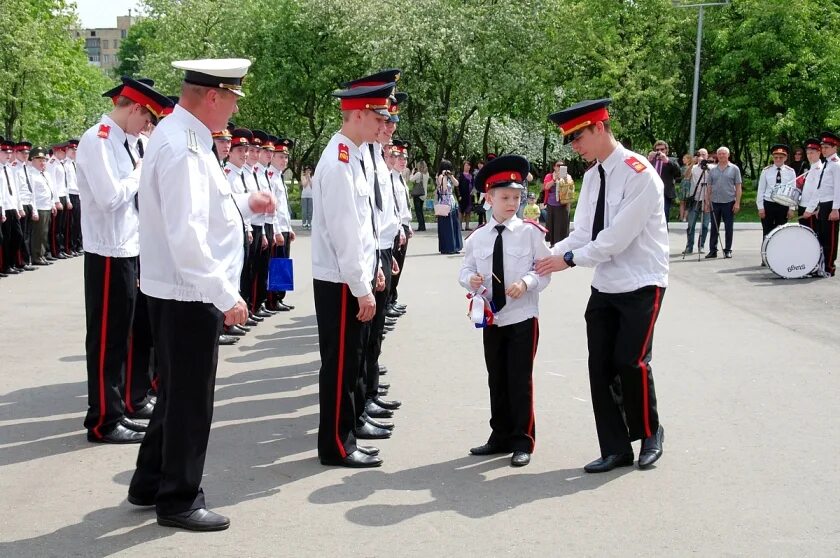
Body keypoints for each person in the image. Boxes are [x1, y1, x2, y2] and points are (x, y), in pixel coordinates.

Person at [129, 58, 275, 531]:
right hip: (188, 292)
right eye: (233, 98)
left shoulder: (185, 137)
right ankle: (179, 499)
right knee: (191, 400)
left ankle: (151, 481)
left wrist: (248, 207)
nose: (234, 109)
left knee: (175, 393)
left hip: (180, 289)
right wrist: (224, 295)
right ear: (212, 95)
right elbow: (187, 235)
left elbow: (207, 213)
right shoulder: (184, 146)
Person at [536, 98, 668, 473]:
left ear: (598, 127)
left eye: (578, 138)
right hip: (607, 284)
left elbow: (616, 238)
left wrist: (569, 260)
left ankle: (649, 434)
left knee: (632, 361)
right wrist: (549, 254)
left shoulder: (639, 173)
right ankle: (615, 448)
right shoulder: (593, 176)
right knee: (600, 366)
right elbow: (582, 233)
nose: (575, 147)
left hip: (642, 281)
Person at [76, 77, 172, 444]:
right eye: (146, 118)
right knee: (106, 340)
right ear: (133, 107)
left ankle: (120, 406)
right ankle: (102, 419)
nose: (147, 127)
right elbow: (109, 198)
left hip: (130, 248)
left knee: (127, 335)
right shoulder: (97, 139)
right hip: (107, 251)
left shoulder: (127, 142)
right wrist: (139, 172)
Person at [311, 78, 395, 468]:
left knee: (350, 361)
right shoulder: (340, 161)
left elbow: (365, 227)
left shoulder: (354, 155)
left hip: (352, 277)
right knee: (342, 366)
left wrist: (373, 269)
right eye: (377, 116)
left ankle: (342, 438)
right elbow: (346, 234)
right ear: (358, 114)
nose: (383, 125)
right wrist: (362, 287)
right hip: (341, 281)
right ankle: (337, 445)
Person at [460, 154, 551, 467]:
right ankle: (498, 436)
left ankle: (522, 440)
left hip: (522, 317)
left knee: (519, 378)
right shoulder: (478, 238)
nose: (512, 203)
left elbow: (544, 271)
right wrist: (469, 280)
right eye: (505, 197)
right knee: (496, 377)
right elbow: (466, 269)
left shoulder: (531, 233)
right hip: (491, 318)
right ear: (489, 198)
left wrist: (526, 282)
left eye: (516, 197)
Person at [266, 136, 296, 312]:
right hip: (276, 228)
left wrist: (289, 228)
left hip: (284, 227)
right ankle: (273, 298)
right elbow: (272, 208)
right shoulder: (270, 176)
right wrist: (277, 230)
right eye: (280, 156)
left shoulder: (279, 176)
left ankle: (280, 296)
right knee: (276, 263)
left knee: (283, 262)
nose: (284, 160)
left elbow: (284, 207)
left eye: (286, 157)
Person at [806, 131, 840, 276]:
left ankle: (829, 268)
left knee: (830, 238)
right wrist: (819, 207)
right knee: (823, 236)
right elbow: (821, 188)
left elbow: (838, 188)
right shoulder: (827, 164)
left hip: (832, 205)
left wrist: (836, 209)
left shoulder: (836, 165)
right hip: (824, 205)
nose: (824, 150)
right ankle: (822, 266)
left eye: (827, 147)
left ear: (835, 147)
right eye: (823, 147)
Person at [706, 146, 742, 259]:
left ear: (728, 155)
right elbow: (709, 187)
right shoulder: (712, 170)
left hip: (729, 202)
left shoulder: (734, 169)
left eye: (724, 154)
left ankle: (728, 250)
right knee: (714, 228)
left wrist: (737, 203)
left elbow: (738, 186)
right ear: (717, 156)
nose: (721, 156)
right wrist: (707, 202)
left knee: (728, 227)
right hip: (715, 202)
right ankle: (713, 250)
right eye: (720, 154)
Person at [756, 144, 795, 244]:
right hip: (768, 204)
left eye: (781, 157)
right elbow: (761, 190)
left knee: (781, 232)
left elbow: (792, 191)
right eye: (776, 157)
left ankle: (779, 258)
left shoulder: (790, 172)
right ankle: (766, 257)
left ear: (785, 158)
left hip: (783, 205)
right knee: (767, 232)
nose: (778, 159)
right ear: (773, 157)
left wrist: (791, 208)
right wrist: (760, 208)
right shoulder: (766, 171)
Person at [27, 147, 57, 266]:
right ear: (32, 160)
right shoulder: (31, 175)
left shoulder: (45, 174)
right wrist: (34, 210)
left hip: (47, 207)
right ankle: (36, 256)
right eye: (39, 160)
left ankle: (42, 254)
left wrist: (53, 204)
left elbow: (50, 191)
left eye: (44, 160)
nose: (42, 162)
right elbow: (32, 195)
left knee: (44, 233)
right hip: (39, 208)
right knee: (37, 234)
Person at [684, 149, 711, 255]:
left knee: (705, 225)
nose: (702, 156)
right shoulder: (694, 168)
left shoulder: (711, 168)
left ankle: (701, 246)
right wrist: (693, 163)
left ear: (707, 156)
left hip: (707, 199)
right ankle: (689, 246)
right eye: (699, 154)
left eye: (704, 154)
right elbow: (686, 176)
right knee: (691, 224)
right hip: (695, 199)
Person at [542, 160, 575, 246]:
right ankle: (553, 245)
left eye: (562, 165)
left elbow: (570, 190)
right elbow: (546, 187)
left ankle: (562, 246)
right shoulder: (549, 176)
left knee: (561, 227)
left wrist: (564, 179)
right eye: (558, 165)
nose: (560, 167)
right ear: (554, 167)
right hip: (551, 205)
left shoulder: (568, 176)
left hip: (563, 205)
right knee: (551, 226)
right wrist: (554, 179)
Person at [650, 140, 681, 224]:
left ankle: (664, 236)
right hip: (652, 192)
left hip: (665, 193)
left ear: (667, 150)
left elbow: (678, 173)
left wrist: (666, 160)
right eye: (657, 150)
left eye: (662, 149)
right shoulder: (651, 161)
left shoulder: (672, 160)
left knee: (663, 217)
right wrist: (648, 160)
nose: (659, 152)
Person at [436, 159, 462, 254]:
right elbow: (444, 189)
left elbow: (457, 184)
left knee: (454, 225)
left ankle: (455, 246)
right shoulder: (440, 177)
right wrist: (444, 177)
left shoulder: (450, 177)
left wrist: (451, 176)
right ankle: (447, 247)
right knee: (447, 226)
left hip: (452, 202)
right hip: (444, 202)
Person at [798, 138, 822, 232]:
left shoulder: (819, 169)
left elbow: (818, 191)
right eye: (808, 153)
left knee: (812, 237)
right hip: (803, 206)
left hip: (810, 209)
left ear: (819, 153)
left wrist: (810, 209)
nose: (809, 156)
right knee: (805, 237)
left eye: (812, 153)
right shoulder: (811, 168)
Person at [409, 160, 429, 231]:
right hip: (424, 194)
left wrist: (412, 172)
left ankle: (421, 226)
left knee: (418, 212)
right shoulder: (427, 174)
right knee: (421, 211)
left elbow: (411, 179)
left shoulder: (418, 174)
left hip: (418, 194)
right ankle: (422, 226)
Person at [458, 160, 474, 230]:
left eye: (468, 165)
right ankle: (460, 226)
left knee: (468, 211)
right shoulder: (460, 175)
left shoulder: (471, 175)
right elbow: (457, 187)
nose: (467, 167)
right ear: (463, 166)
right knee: (461, 211)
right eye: (466, 165)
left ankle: (467, 226)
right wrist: (459, 195)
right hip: (462, 196)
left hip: (470, 196)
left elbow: (473, 185)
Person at [678, 153, 692, 222]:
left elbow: (689, 175)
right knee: (682, 201)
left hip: (689, 184)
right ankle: (681, 217)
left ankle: (685, 217)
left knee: (688, 202)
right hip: (683, 184)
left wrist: (692, 164)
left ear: (689, 159)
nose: (683, 160)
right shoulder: (683, 167)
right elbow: (684, 174)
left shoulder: (693, 167)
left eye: (684, 158)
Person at [300, 164, 313, 229]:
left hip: (311, 196)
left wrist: (309, 178)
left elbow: (312, 186)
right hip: (304, 196)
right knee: (304, 211)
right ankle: (304, 223)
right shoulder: (303, 177)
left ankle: (309, 223)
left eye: (309, 170)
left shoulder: (313, 177)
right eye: (306, 170)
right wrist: (307, 178)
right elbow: (304, 185)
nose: (308, 171)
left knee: (310, 211)